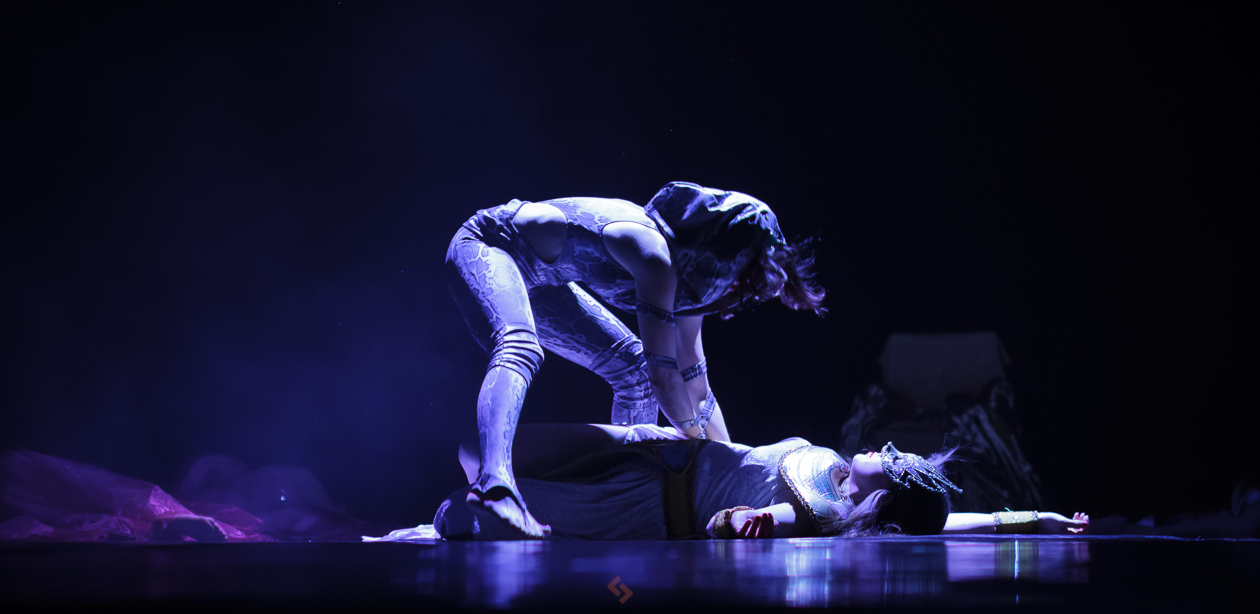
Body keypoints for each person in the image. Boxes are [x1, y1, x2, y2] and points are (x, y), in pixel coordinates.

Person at [445, 183, 825, 537]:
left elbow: (696, 385)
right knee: (520, 346)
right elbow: (664, 378)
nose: (738, 292)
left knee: (633, 373)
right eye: (742, 278)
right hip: (487, 247)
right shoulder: (654, 255)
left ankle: (617, 485)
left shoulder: (690, 290)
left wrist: (730, 459)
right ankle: (495, 485)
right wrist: (697, 442)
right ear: (723, 254)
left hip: (542, 283)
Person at [436, 423, 1090, 540]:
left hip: (639, 503)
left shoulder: (824, 511)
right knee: (481, 448)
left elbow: (773, 520)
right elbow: (960, 522)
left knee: (464, 510)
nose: (886, 446)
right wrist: (1034, 517)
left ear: (885, 495)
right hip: (656, 454)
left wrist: (745, 522)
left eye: (892, 460)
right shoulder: (838, 471)